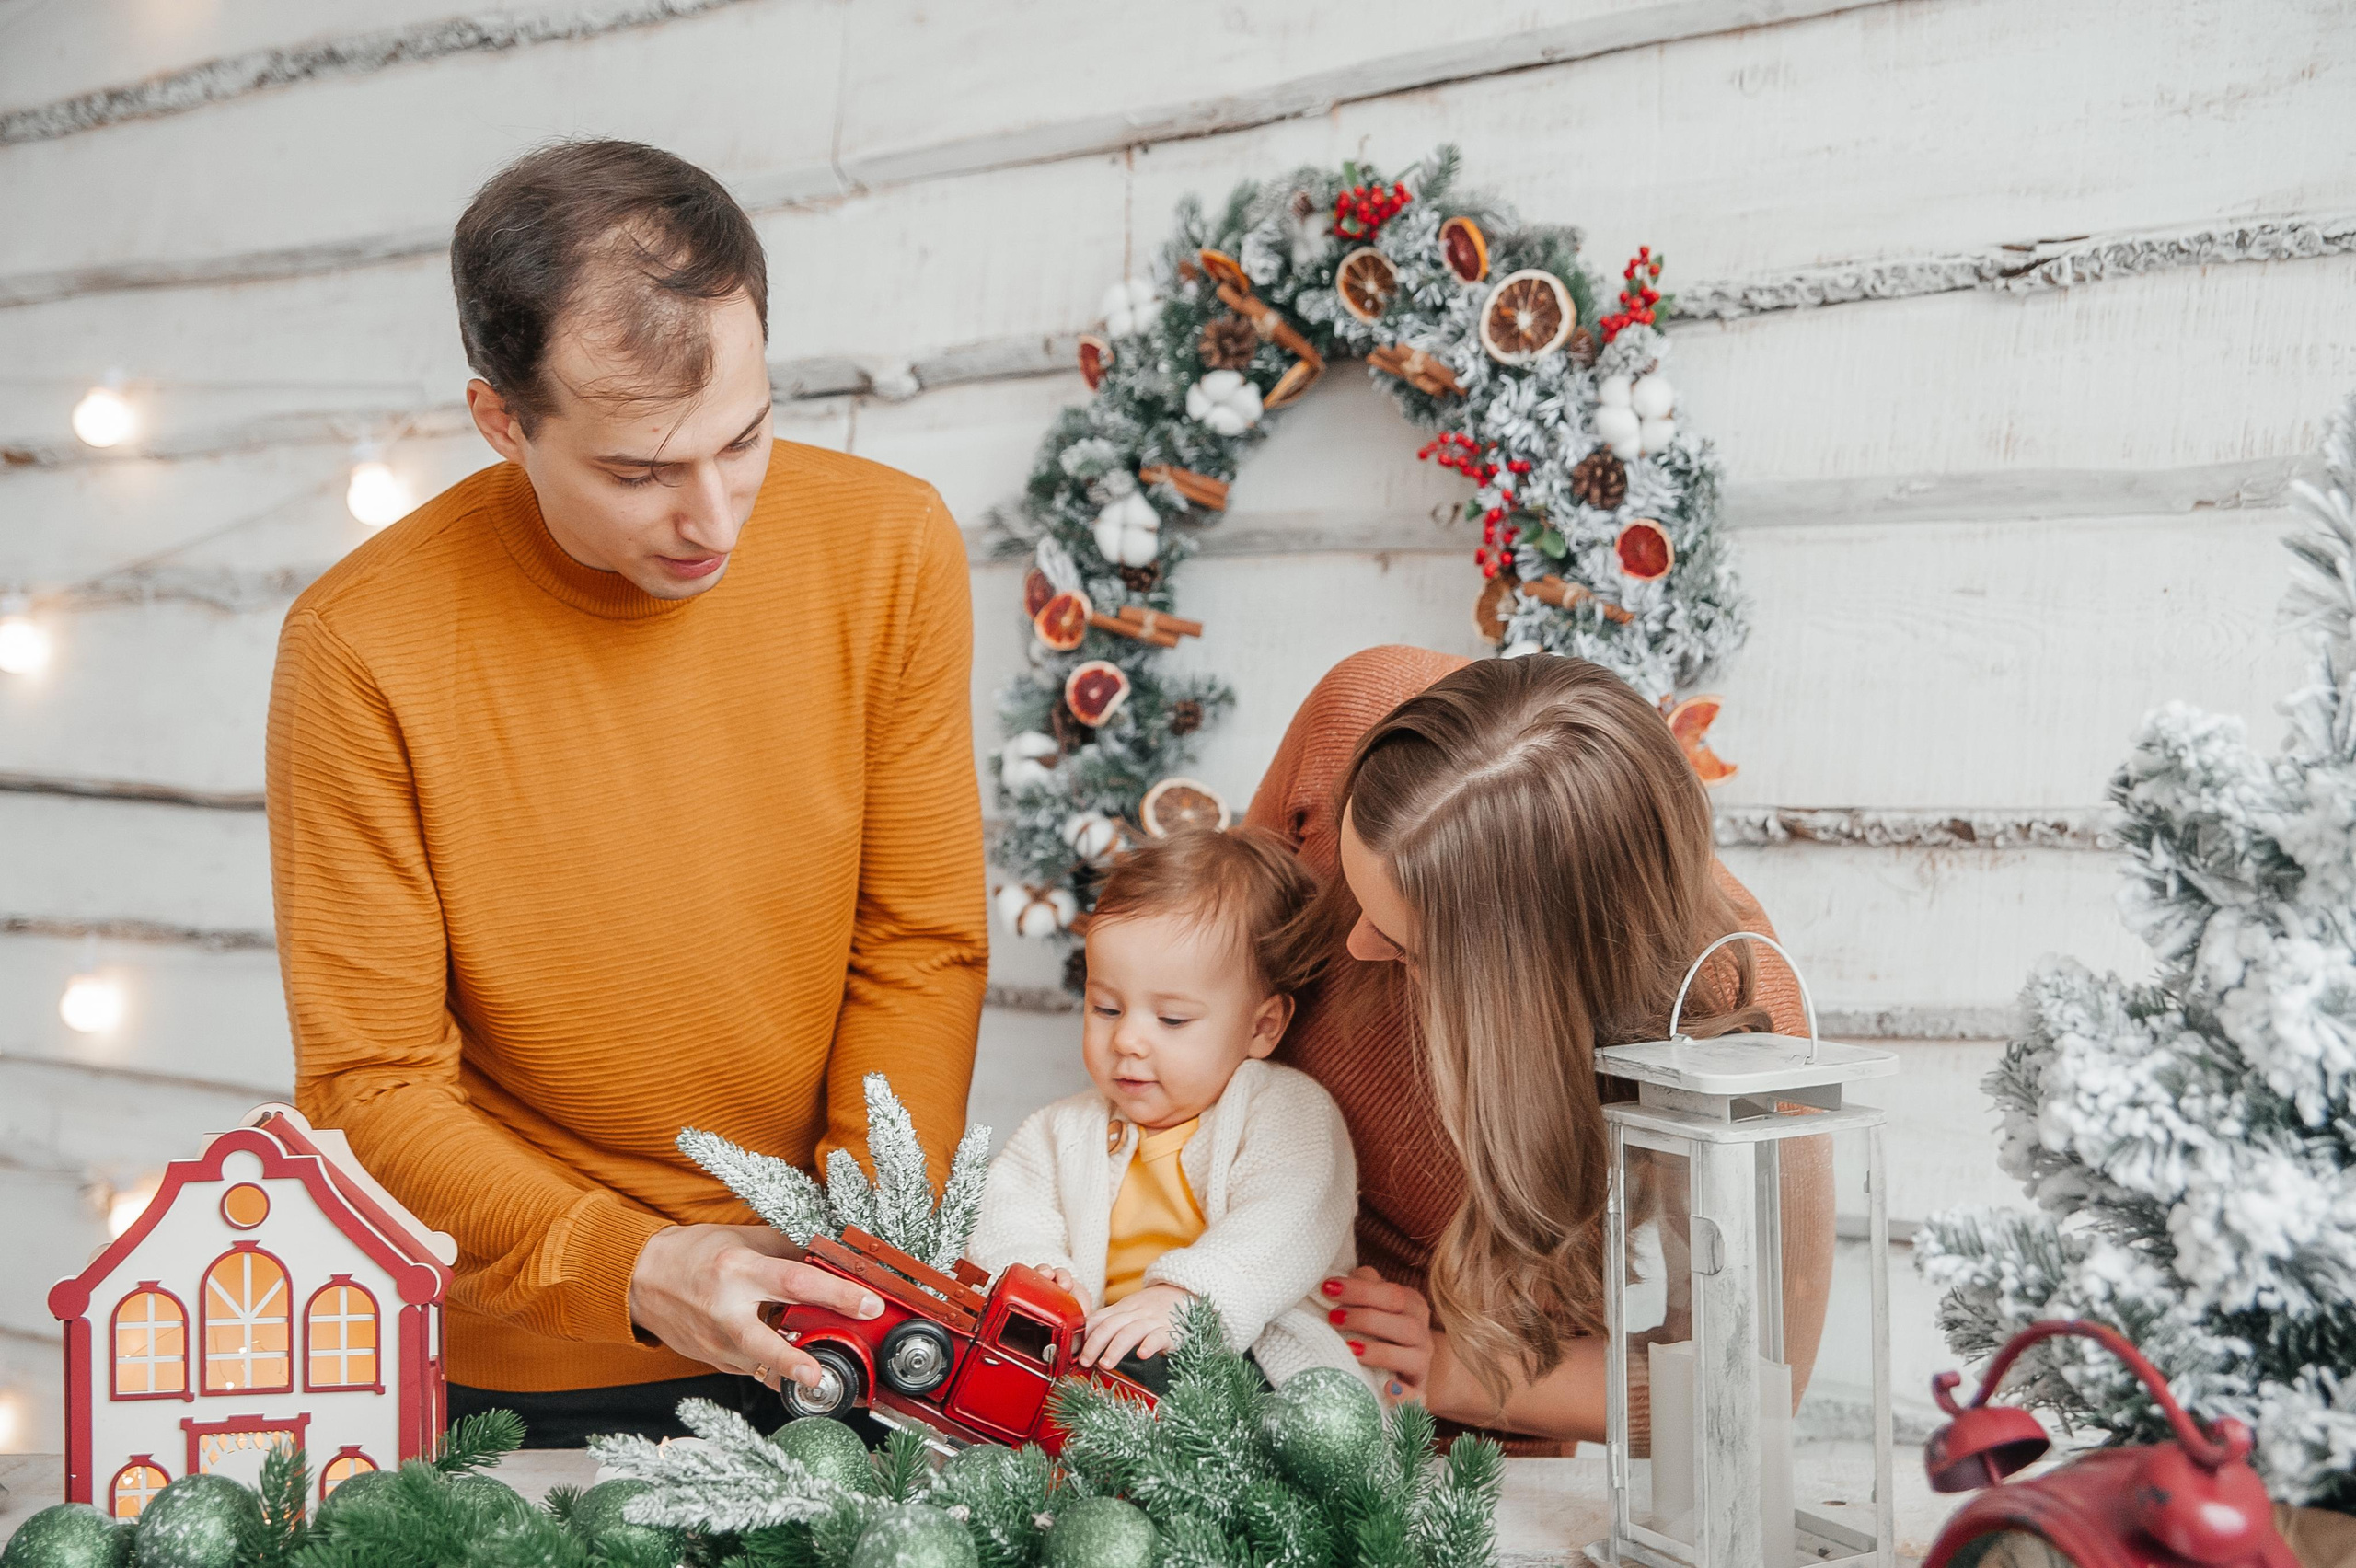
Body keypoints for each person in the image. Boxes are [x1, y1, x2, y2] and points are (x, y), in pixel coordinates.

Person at [265, 140, 987, 1445]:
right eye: (640, 473)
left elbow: (919, 942)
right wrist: (638, 1268)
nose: (712, 518)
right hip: (535, 1361)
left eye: (746, 440)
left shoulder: (891, 545)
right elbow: (371, 1082)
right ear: (504, 422)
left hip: (849, 1321)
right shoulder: (359, 647)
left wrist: (865, 1254)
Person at [1246, 647, 1832, 1451]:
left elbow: (1745, 1383)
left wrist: (1442, 1369)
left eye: (1408, 948)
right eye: (1355, 887)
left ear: (1537, 995)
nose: (1350, 947)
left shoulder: (1740, 1024)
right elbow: (1207, 980)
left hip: (1471, 1437)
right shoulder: (1357, 709)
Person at [964, 828, 1372, 1394]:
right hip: (1102, 1356)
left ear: (1262, 1027)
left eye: (1172, 1020)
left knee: (1207, 1386)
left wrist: (1189, 1299)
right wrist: (1039, 1270)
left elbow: (1287, 1220)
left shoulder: (1285, 1112)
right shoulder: (1061, 1131)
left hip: (1253, 1359)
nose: (1128, 1039)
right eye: (1106, 1008)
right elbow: (1008, 1211)